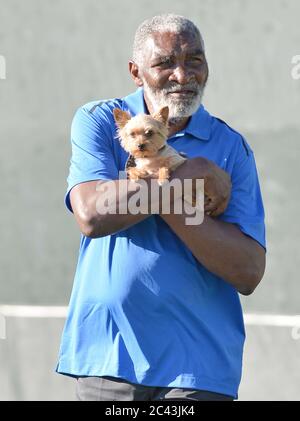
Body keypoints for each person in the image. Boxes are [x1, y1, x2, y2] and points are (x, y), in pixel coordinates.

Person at [56, 14, 266, 401]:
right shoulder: (102, 121)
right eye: (165, 63)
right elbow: (92, 214)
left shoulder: (231, 147)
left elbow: (248, 271)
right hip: (109, 358)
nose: (182, 75)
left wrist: (147, 190)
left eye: (195, 60)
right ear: (136, 72)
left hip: (197, 368)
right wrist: (190, 174)